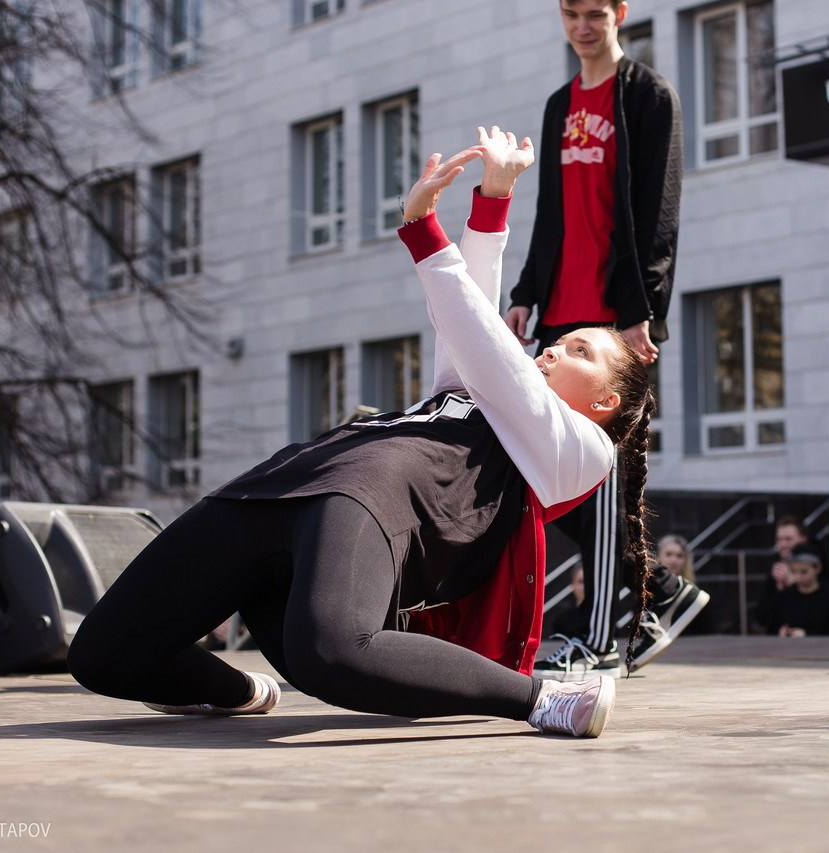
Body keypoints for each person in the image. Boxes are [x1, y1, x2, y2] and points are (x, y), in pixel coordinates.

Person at [66, 127, 656, 739]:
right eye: (557, 342)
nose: (552, 351)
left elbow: (488, 347)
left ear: (606, 401)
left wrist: (425, 230)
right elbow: (473, 328)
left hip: (366, 493)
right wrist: (493, 198)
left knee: (333, 650)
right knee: (102, 656)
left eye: (579, 350)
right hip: (286, 480)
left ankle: (543, 699)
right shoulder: (482, 395)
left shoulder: (581, 453)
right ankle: (238, 692)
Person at [505, 0, 699, 679]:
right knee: (547, 472)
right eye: (571, 13)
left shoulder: (648, 97)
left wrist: (642, 307)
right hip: (560, 316)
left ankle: (606, 636)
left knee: (604, 481)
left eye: (595, 12)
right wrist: (526, 291)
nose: (583, 25)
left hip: (615, 325)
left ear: (619, 13)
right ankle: (659, 596)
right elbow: (549, 212)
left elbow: (660, 209)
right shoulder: (561, 105)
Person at [766, 545, 829, 638]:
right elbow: (770, 628)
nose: (798, 576)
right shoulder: (785, 596)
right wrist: (781, 632)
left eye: (804, 572)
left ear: (817, 568)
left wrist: (807, 635)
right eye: (794, 571)